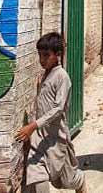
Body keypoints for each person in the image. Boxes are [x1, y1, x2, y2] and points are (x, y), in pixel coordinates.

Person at [15, 33, 87, 193]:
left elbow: (58, 109)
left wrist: (32, 125)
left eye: (46, 55)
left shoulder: (62, 77)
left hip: (56, 139)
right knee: (38, 176)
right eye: (40, 55)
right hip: (39, 139)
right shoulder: (45, 74)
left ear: (58, 55)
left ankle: (80, 181)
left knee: (66, 181)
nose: (42, 59)